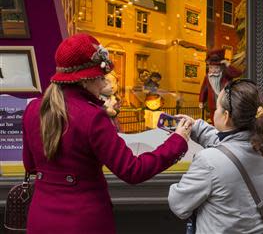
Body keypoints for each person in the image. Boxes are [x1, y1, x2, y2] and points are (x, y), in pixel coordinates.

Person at [22, 33, 192, 234]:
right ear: (85, 80)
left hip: (41, 218)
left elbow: (31, 165)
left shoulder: (33, 109)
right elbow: (132, 171)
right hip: (83, 222)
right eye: (100, 77)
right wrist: (178, 141)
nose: (103, 84)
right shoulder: (93, 117)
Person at [169, 79, 263, 233]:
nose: (214, 111)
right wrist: (196, 127)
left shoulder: (209, 161)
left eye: (217, 107)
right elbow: (234, 145)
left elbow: (178, 204)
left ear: (226, 115)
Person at [199, 48, 242, 124]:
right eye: (211, 68)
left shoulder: (226, 75)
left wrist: (228, 65)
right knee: (214, 118)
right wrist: (201, 100)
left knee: (226, 118)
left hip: (225, 103)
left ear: (221, 68)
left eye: (216, 68)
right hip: (213, 104)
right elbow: (204, 89)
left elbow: (237, 74)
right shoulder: (207, 77)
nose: (213, 70)